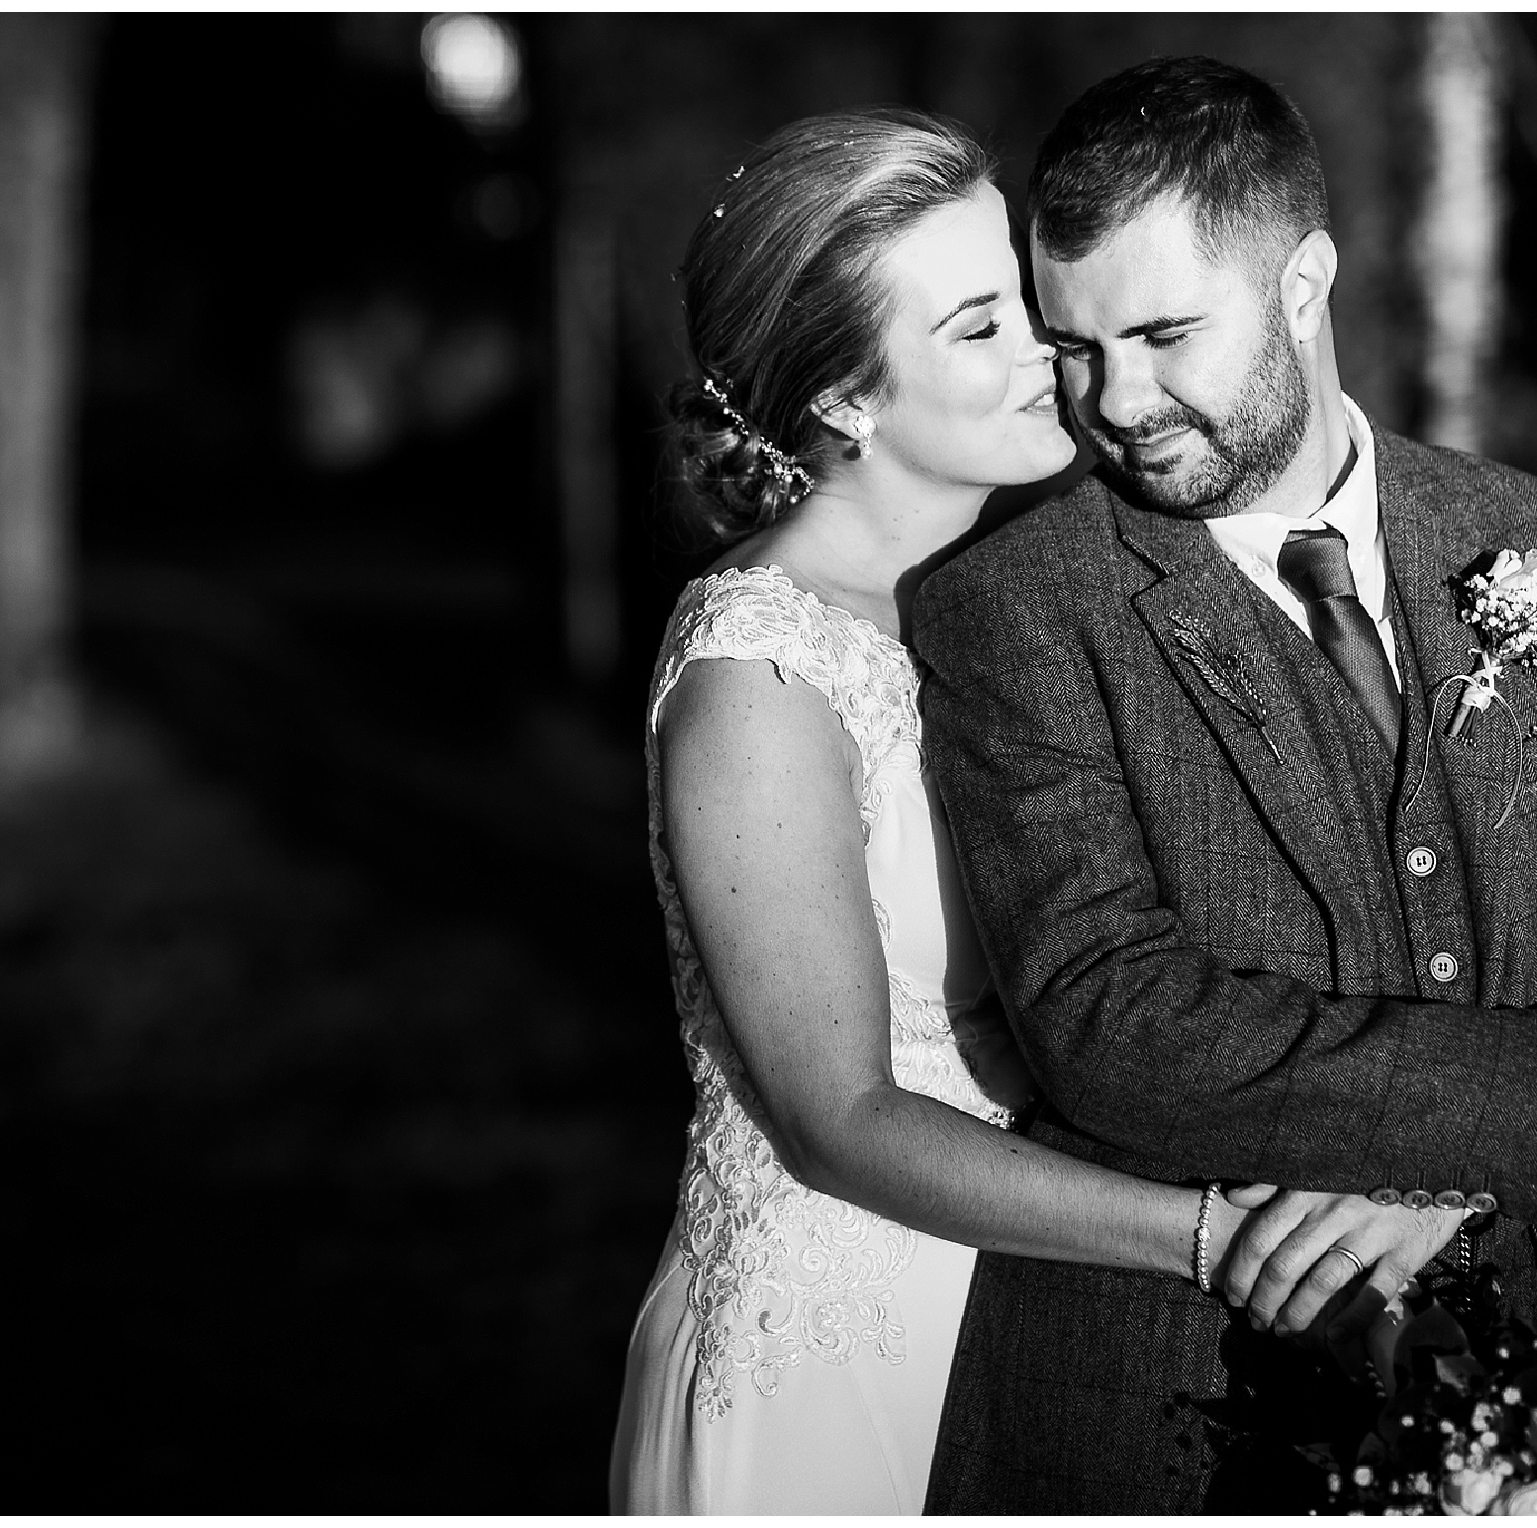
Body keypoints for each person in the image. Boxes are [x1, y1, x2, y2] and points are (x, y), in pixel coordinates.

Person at [606, 106, 1468, 1517]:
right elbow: (840, 1118)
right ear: (843, 402)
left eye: (1025, 302)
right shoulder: (756, 680)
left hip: (1048, 1320)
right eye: (977, 329)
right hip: (846, 1357)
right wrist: (1219, 1240)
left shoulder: (1000, 601)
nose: (1050, 359)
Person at [915, 57, 1537, 1513]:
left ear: (1304, 283)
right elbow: (1108, 1012)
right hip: (1181, 1406)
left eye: (1163, 333)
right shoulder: (1011, 603)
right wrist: (1526, 1111)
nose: (1117, 400)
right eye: (1075, 346)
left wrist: (1461, 1176)